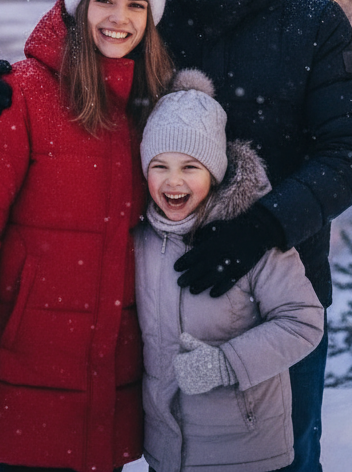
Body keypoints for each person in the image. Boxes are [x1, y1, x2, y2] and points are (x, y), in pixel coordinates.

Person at [0, 0, 352, 472]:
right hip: (162, 287)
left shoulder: (312, 20)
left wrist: (263, 227)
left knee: (288, 454)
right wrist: (11, 79)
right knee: (176, 454)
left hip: (278, 287)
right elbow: (85, 34)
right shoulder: (155, 9)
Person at [0, 0, 174, 472]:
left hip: (112, 373)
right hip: (25, 369)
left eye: (136, 4)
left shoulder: (153, 106)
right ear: (77, 5)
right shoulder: (19, 97)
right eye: (104, 0)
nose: (118, 18)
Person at [136, 68, 324, 472]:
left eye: (190, 167)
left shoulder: (250, 243)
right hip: (167, 451)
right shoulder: (140, 240)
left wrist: (226, 364)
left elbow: (304, 321)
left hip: (247, 452)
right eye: (159, 166)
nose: (172, 182)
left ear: (215, 171)